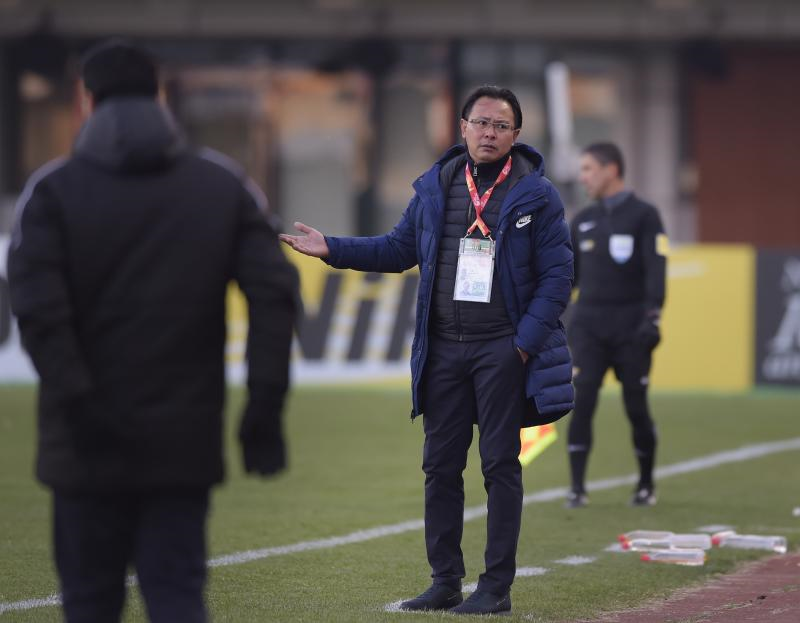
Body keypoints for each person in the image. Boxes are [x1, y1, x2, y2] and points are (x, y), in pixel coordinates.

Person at [7, 39, 299, 623]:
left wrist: (78, 401)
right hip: (181, 441)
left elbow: (39, 311)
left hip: (82, 445)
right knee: (176, 599)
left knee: (89, 605)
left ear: (87, 100)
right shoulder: (220, 185)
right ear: (159, 96)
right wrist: (263, 407)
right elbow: (274, 294)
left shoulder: (53, 190)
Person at [280, 86, 573, 616]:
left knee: (499, 466)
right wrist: (333, 249)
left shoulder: (538, 195)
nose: (489, 133)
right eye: (480, 122)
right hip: (443, 350)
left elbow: (558, 278)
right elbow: (397, 249)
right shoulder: (436, 186)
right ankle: (445, 581)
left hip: (501, 349)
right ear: (462, 127)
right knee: (439, 467)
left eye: (500, 125)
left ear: (515, 135)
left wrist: (522, 347)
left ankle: (496, 588)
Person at [565, 142, 667, 509]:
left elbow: (656, 268)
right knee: (582, 400)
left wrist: (652, 316)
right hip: (588, 327)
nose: (583, 178)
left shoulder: (645, 216)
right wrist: (559, 318)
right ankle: (577, 488)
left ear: (611, 170)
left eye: (588, 169)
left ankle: (645, 484)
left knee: (636, 405)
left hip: (631, 327)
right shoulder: (582, 220)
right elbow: (568, 278)